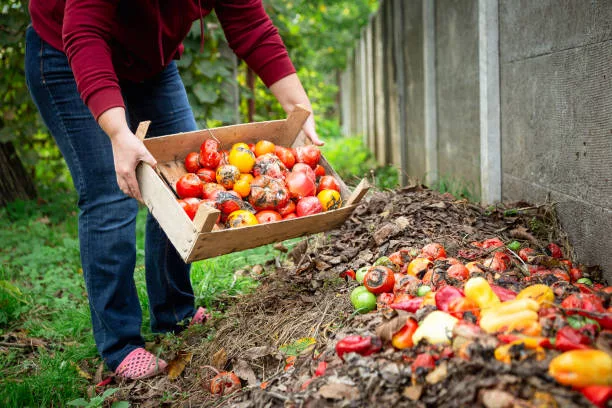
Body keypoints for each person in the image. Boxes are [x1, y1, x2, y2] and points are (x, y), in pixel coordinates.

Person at [25, 0, 322, 380]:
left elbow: (251, 27)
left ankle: (174, 312)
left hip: (149, 65)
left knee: (179, 181)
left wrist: (300, 109)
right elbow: (84, 31)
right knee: (110, 194)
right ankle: (119, 344)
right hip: (68, 54)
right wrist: (118, 133)